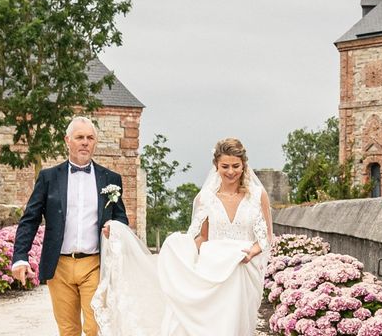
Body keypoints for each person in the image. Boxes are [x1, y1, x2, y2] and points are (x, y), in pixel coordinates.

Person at [91, 137, 273, 336]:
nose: (231, 172)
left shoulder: (257, 195)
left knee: (236, 327)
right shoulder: (206, 198)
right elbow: (203, 237)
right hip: (213, 272)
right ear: (216, 166)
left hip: (243, 272)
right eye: (225, 166)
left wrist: (251, 252)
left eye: (236, 166)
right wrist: (179, 250)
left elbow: (266, 237)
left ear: (244, 165)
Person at [12, 116, 129, 336]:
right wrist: (20, 256)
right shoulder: (48, 177)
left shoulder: (111, 179)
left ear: (95, 142)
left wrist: (114, 227)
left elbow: (121, 219)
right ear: (68, 140)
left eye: (90, 138)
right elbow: (30, 219)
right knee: (68, 330)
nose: (85, 142)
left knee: (96, 327)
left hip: (95, 264)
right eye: (79, 137)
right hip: (60, 266)